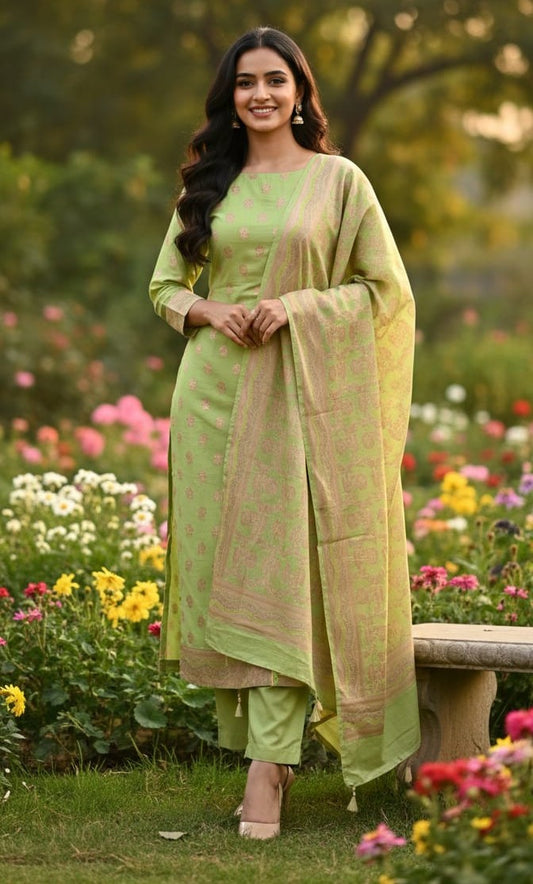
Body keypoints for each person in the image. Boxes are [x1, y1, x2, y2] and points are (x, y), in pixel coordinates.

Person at [149, 26, 420, 839]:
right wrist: (207, 309)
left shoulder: (339, 182)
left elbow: (384, 291)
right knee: (226, 574)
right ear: (228, 98)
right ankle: (257, 752)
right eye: (244, 83)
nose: (259, 94)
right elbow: (164, 286)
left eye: (274, 80)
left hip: (296, 400)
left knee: (281, 579)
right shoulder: (211, 183)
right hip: (211, 399)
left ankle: (268, 768)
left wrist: (297, 306)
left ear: (300, 92)